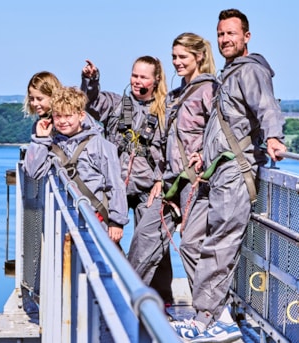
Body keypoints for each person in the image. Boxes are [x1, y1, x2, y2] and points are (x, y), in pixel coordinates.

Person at [173, 9, 286, 342]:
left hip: (236, 174)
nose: (225, 40)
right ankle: (214, 311)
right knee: (191, 240)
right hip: (214, 172)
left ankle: (207, 319)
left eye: (231, 34)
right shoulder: (229, 74)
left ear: (246, 37)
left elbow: (266, 107)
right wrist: (203, 153)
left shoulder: (250, 71)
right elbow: (226, 123)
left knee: (220, 246)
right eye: (221, 35)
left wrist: (275, 136)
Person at [126, 32, 218, 312]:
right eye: (174, 57)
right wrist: (158, 178)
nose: (176, 62)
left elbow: (220, 132)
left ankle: (208, 313)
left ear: (199, 57)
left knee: (192, 247)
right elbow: (164, 144)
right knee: (144, 236)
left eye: (182, 57)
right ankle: (129, 298)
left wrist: (204, 156)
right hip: (169, 183)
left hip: (196, 181)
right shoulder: (175, 95)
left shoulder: (211, 90)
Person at [81, 56, 171, 303]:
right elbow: (90, 103)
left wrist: (161, 179)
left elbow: (173, 150)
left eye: (143, 77)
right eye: (134, 75)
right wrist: (90, 80)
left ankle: (162, 297)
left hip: (148, 186)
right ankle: (114, 290)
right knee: (107, 238)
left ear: (155, 80)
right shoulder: (116, 104)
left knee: (153, 242)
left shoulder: (166, 111)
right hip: (115, 185)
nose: (137, 81)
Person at [23, 86, 129, 243]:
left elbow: (115, 184)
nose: (63, 121)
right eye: (58, 116)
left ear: (81, 116)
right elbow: (33, 172)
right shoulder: (51, 145)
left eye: (68, 115)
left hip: (94, 220)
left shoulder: (100, 145)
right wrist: (40, 140)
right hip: (63, 222)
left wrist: (117, 221)